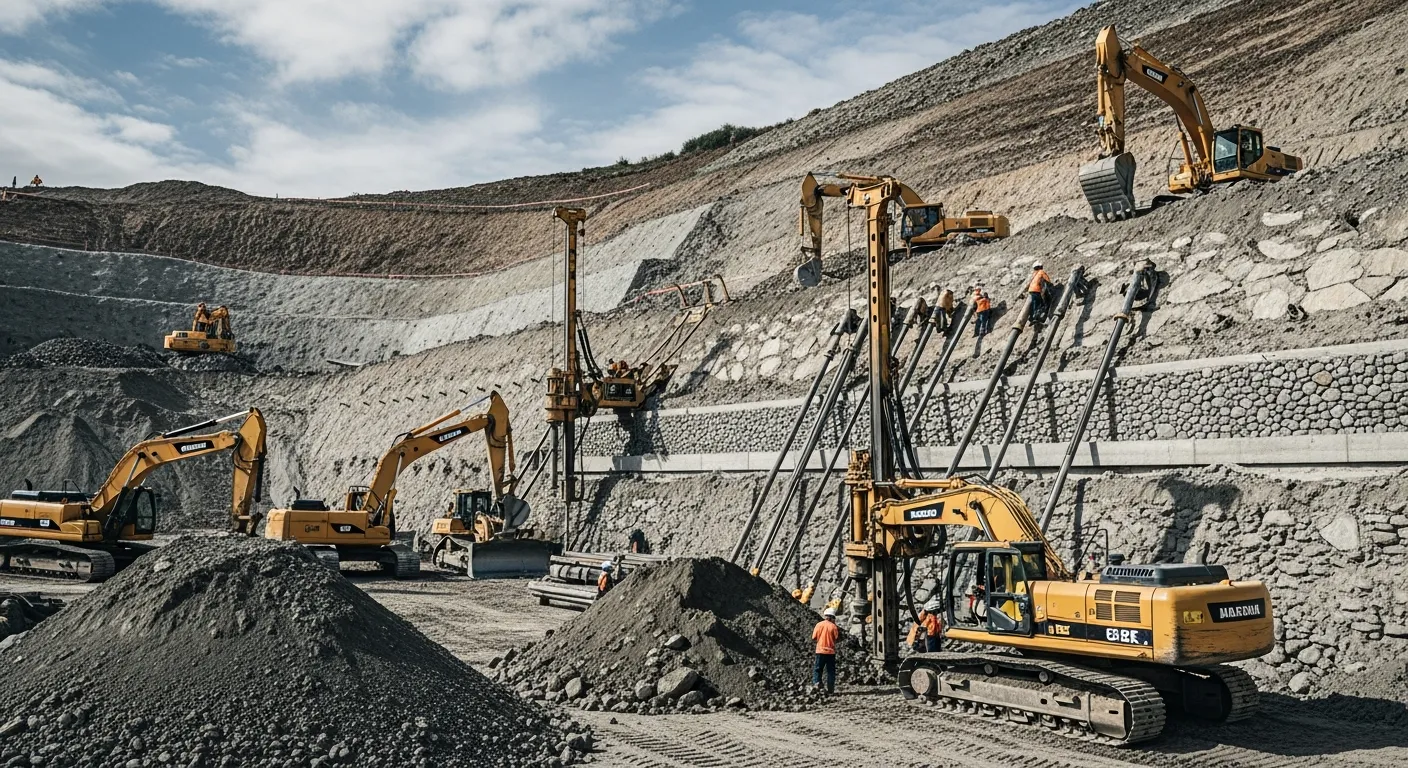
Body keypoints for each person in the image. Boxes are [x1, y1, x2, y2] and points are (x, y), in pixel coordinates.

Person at [812, 607, 840, 694]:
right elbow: (837, 638)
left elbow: (814, 637)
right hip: (830, 652)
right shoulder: (833, 626)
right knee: (830, 671)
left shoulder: (818, 625)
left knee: (818, 669)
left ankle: (817, 684)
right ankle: (830, 690)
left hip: (820, 651)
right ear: (832, 617)